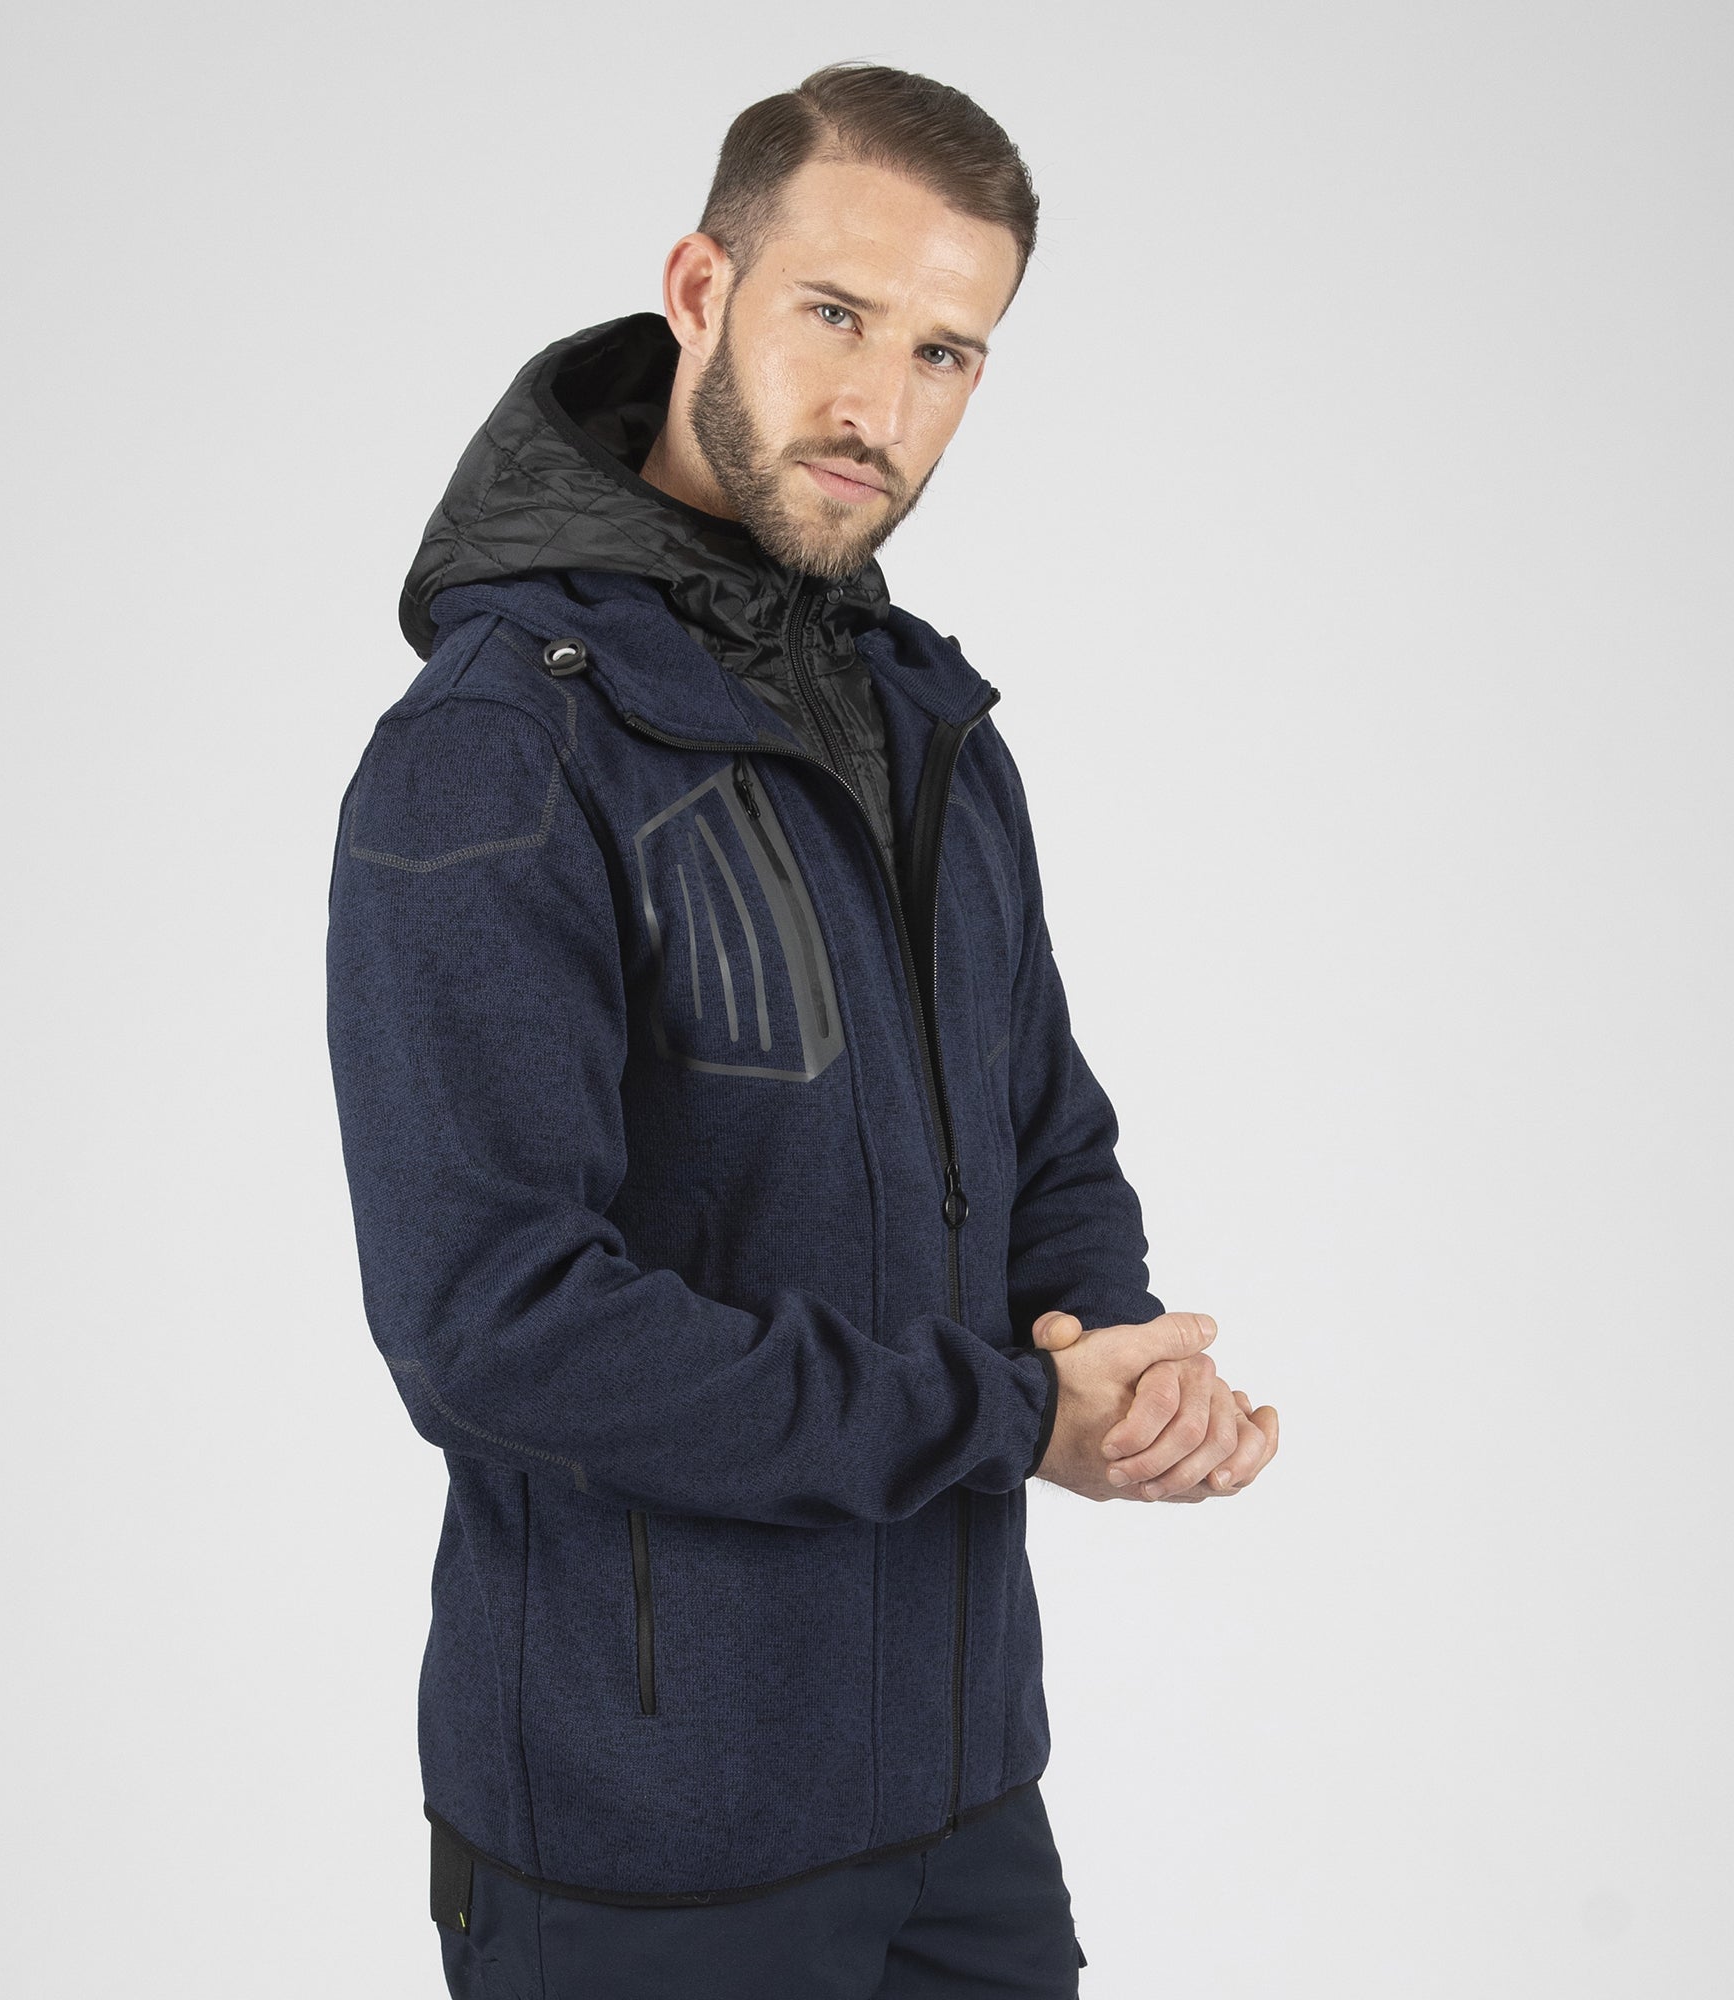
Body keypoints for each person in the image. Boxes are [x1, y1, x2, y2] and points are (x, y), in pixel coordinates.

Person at [326, 60, 1280, 1999]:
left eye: (944, 351)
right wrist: (1018, 1417)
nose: (879, 407)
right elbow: (495, 1327)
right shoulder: (501, 748)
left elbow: (1042, 1134)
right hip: (645, 1853)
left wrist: (1112, 1359)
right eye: (836, 314)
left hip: (958, 1802)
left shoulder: (931, 727)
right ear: (702, 288)